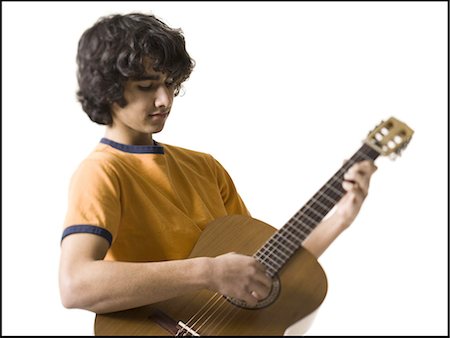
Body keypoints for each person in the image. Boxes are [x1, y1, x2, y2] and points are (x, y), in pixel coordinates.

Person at [58, 12, 377, 316]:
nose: (165, 100)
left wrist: (341, 217)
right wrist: (207, 271)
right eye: (146, 86)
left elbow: (260, 268)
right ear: (108, 89)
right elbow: (75, 285)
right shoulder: (101, 172)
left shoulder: (205, 167)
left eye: (169, 83)